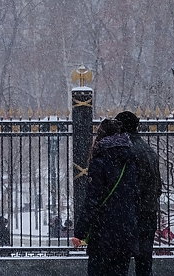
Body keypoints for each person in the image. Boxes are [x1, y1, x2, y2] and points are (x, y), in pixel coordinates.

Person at [72, 118, 140, 276]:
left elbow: (92, 200)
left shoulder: (100, 160)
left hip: (103, 232)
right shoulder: (130, 158)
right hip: (125, 230)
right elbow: (136, 195)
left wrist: (80, 232)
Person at [116, 110, 162, 276]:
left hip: (130, 214)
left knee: (121, 261)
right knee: (144, 261)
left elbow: (125, 186)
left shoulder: (125, 151)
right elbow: (158, 187)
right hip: (149, 212)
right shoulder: (149, 151)